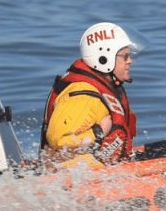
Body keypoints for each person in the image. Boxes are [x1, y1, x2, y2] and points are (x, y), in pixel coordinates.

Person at [40, 21, 143, 165]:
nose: (130, 61)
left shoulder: (104, 89)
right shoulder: (83, 97)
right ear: (104, 58)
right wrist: (98, 132)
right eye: (125, 56)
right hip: (70, 179)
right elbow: (58, 140)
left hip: (104, 169)